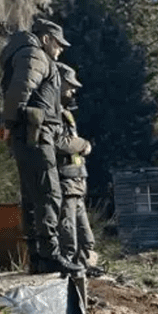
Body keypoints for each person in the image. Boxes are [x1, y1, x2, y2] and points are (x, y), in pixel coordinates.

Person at [0, 18, 81, 274]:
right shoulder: (36, 56)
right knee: (48, 193)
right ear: (46, 39)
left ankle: (38, 256)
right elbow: (20, 91)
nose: (61, 49)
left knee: (33, 196)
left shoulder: (29, 55)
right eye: (58, 43)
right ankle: (49, 254)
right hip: (36, 134)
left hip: (33, 134)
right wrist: (8, 124)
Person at [54, 63, 104, 276]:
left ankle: (85, 265)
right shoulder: (53, 113)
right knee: (68, 231)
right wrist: (83, 145)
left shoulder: (65, 113)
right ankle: (69, 268)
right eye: (69, 86)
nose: (73, 91)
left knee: (85, 234)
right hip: (65, 180)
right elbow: (59, 142)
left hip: (76, 181)